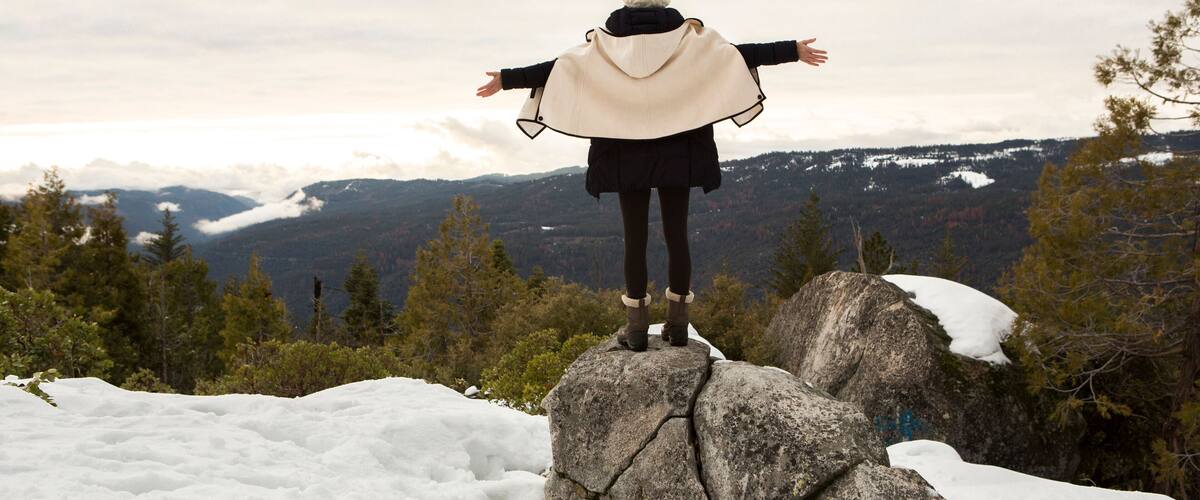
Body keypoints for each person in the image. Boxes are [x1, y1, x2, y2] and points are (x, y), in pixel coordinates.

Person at [476, 0, 827, 352]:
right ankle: (678, 325)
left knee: (635, 239)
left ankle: (637, 329)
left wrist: (506, 79)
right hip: (680, 150)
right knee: (677, 235)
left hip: (625, 154)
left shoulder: (604, 45)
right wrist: (792, 50)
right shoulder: (688, 39)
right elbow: (737, 54)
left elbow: (556, 69)